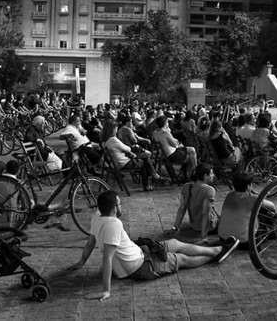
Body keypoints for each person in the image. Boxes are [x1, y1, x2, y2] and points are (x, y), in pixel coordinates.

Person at [68, 190, 239, 301]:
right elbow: (107, 258)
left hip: (140, 253)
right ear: (114, 208)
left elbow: (91, 242)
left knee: (176, 243)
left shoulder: (97, 215)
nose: (121, 206)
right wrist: (106, 290)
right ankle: (217, 254)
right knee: (182, 259)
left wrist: (82, 261)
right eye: (119, 203)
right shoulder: (113, 224)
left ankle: (217, 250)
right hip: (139, 267)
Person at [217, 172, 276, 249]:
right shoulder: (253, 198)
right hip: (244, 243)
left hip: (224, 240)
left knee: (253, 210)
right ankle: (273, 235)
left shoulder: (229, 195)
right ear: (248, 186)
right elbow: (273, 207)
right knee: (266, 211)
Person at [102, 120, 157, 192]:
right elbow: (127, 148)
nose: (117, 130)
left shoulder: (105, 141)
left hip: (116, 163)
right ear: (112, 129)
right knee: (144, 162)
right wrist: (128, 151)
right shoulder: (113, 140)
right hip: (123, 163)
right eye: (116, 128)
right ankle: (148, 183)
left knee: (145, 158)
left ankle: (153, 176)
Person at [170, 164, 219, 245]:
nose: (213, 175)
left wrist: (175, 227)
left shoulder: (186, 186)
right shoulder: (209, 190)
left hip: (194, 225)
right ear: (205, 176)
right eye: (211, 173)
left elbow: (182, 208)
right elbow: (206, 215)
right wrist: (203, 237)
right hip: (210, 227)